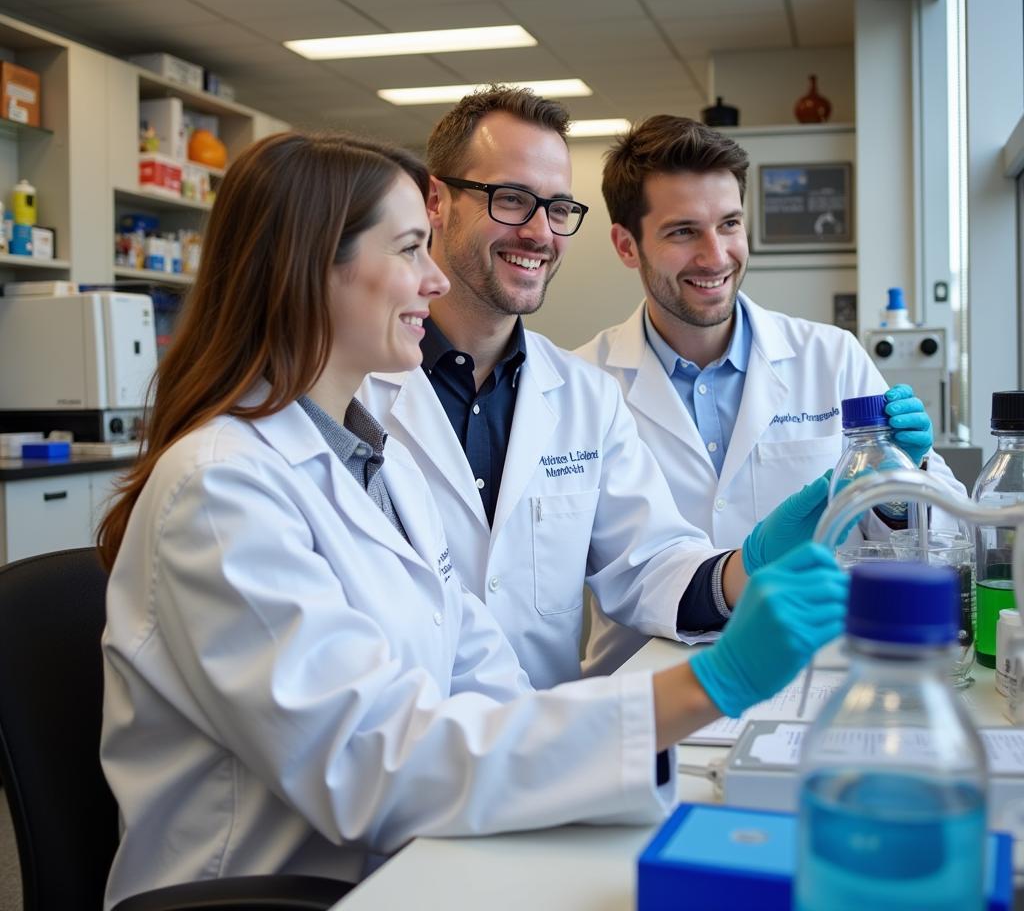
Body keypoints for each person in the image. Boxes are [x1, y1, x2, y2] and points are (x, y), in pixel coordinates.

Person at [96, 130, 846, 905]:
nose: (431, 280)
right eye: (410, 248)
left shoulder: (371, 461)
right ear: (310, 267)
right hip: (285, 889)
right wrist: (703, 687)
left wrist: (731, 585)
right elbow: (365, 761)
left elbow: (482, 676)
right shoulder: (222, 490)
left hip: (424, 847)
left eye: (557, 207)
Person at [357, 87, 839, 690]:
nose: (539, 233)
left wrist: (751, 568)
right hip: (395, 755)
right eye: (511, 200)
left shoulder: (585, 398)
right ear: (435, 200)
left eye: (558, 208)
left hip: (548, 750)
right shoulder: (350, 392)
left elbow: (646, 567)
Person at [577, 114, 967, 675]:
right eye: (683, 231)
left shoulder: (830, 357)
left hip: (820, 669)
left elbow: (948, 537)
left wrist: (901, 496)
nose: (716, 256)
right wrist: (748, 566)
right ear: (625, 244)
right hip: (649, 686)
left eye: (730, 224)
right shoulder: (582, 385)